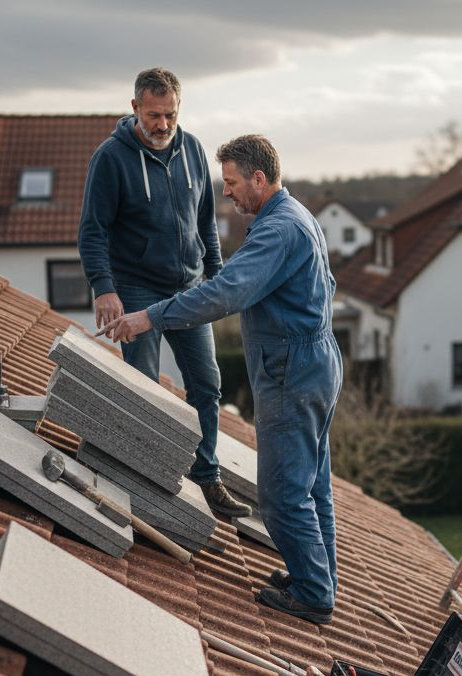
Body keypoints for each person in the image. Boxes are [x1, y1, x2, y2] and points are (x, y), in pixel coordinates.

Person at [101, 135, 343, 625]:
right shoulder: (297, 216)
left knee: (280, 493)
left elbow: (228, 292)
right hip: (317, 360)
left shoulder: (277, 231)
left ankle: (314, 594)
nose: (227, 193)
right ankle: (316, 577)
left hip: (291, 371)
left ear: (258, 179)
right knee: (313, 482)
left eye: (232, 183)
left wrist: (151, 317)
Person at [79, 67, 250, 518]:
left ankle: (206, 475)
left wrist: (216, 278)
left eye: (170, 114)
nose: (163, 125)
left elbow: (205, 223)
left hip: (190, 287)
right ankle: (147, 481)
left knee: (207, 385)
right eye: (154, 115)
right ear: (135, 108)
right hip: (135, 288)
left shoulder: (193, 150)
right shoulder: (111, 158)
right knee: (145, 389)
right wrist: (104, 288)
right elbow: (93, 230)